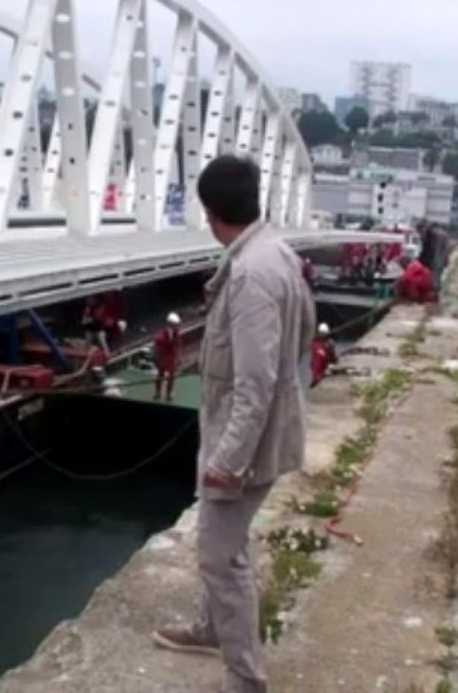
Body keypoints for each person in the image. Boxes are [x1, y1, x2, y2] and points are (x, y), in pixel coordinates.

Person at [152, 155, 316, 693]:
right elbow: (302, 337)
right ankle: (211, 628)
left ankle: (245, 678)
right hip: (262, 430)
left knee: (220, 557)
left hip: (244, 443)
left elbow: (254, 383)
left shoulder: (250, 276)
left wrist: (228, 460)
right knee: (226, 540)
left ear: (210, 210)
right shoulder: (278, 254)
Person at [153, 312, 182, 402]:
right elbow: (156, 347)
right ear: (170, 324)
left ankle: (169, 394)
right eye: (175, 325)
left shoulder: (176, 333)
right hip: (162, 356)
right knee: (160, 375)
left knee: (172, 376)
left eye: (177, 325)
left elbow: (177, 345)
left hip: (171, 356)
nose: (177, 326)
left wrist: (178, 357)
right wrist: (157, 358)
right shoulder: (160, 335)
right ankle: (157, 392)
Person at [310, 322, 338, 388]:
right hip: (319, 374)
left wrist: (331, 349)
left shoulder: (328, 344)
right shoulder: (316, 345)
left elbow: (334, 360)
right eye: (321, 333)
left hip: (324, 372)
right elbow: (317, 364)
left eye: (324, 333)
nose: (323, 335)